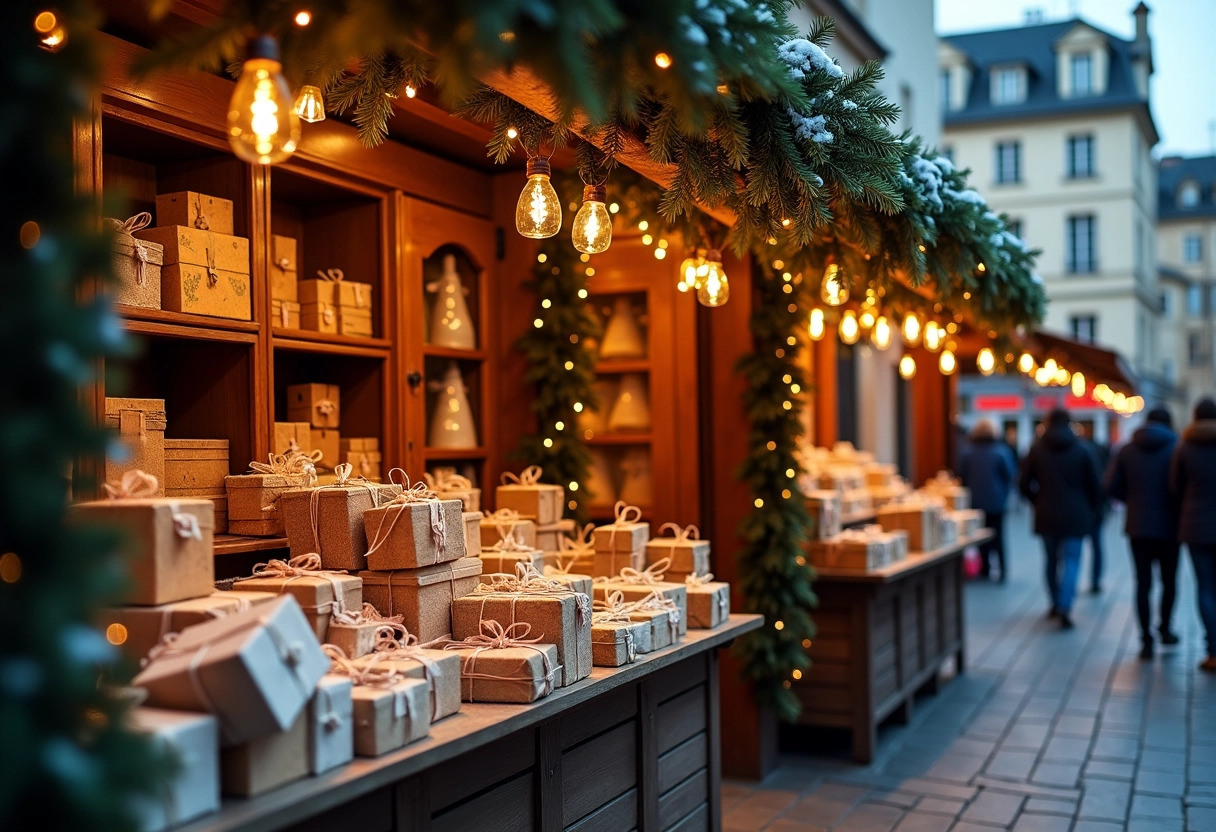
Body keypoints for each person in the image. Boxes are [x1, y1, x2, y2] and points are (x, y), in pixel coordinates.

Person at [1106, 407, 1180, 659]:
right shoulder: (1176, 448)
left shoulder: (1127, 450)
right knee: (1169, 581)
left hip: (1138, 525)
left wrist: (1132, 500)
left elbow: (1109, 485)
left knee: (1143, 583)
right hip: (1171, 527)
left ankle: (1145, 639)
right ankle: (1166, 628)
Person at [1019, 409, 1101, 629]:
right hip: (1076, 515)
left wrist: (1037, 501)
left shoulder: (1036, 449)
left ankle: (1055, 603)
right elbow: (1095, 486)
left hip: (1046, 514)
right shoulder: (1083, 449)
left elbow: (1023, 483)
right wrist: (1092, 510)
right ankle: (1065, 605)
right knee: (1072, 560)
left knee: (1051, 561)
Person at [1169, 397, 1216, 672]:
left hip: (1195, 527)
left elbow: (1174, 487)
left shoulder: (1184, 447)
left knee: (1206, 587)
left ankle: (1213, 650)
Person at [959, 419, 1016, 580]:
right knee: (999, 537)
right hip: (996, 501)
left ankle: (985, 569)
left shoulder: (967, 452)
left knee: (979, 536)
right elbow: (1009, 475)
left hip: (975, 501)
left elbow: (962, 476)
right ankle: (1003, 570)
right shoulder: (1001, 451)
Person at [1081, 424, 1112, 593]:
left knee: (1071, 552)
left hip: (1081, 508)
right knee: (1097, 544)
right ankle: (1095, 579)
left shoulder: (1081, 452)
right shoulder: (1100, 453)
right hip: (1095, 508)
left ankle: (1067, 588)